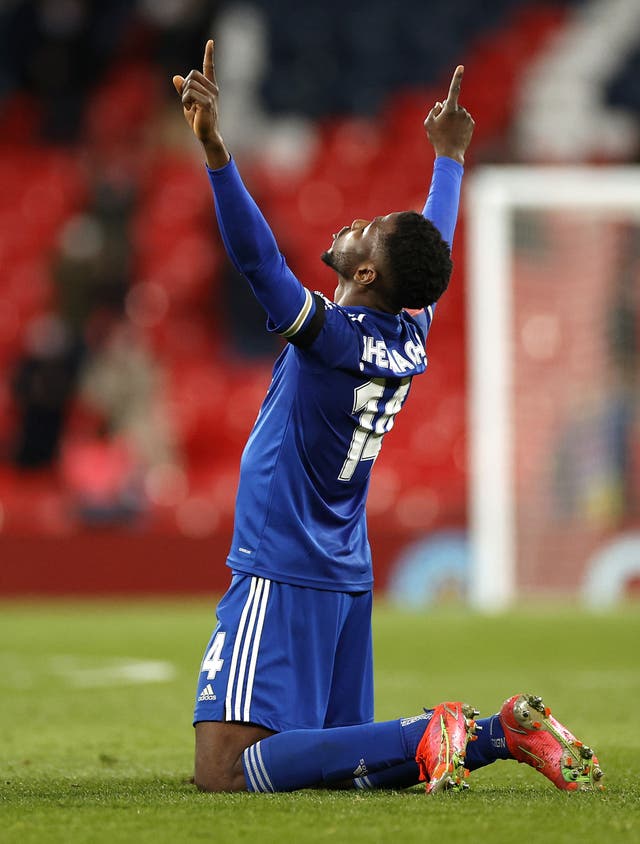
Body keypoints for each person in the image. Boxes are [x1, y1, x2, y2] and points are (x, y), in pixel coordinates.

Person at [172, 41, 604, 794]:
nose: (351, 224)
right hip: (345, 569)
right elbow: (428, 246)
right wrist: (450, 161)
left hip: (283, 565)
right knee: (345, 769)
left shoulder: (331, 337)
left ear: (367, 273)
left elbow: (258, 263)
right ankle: (497, 736)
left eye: (365, 231)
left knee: (227, 774)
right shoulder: (409, 332)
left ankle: (433, 729)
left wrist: (216, 154)